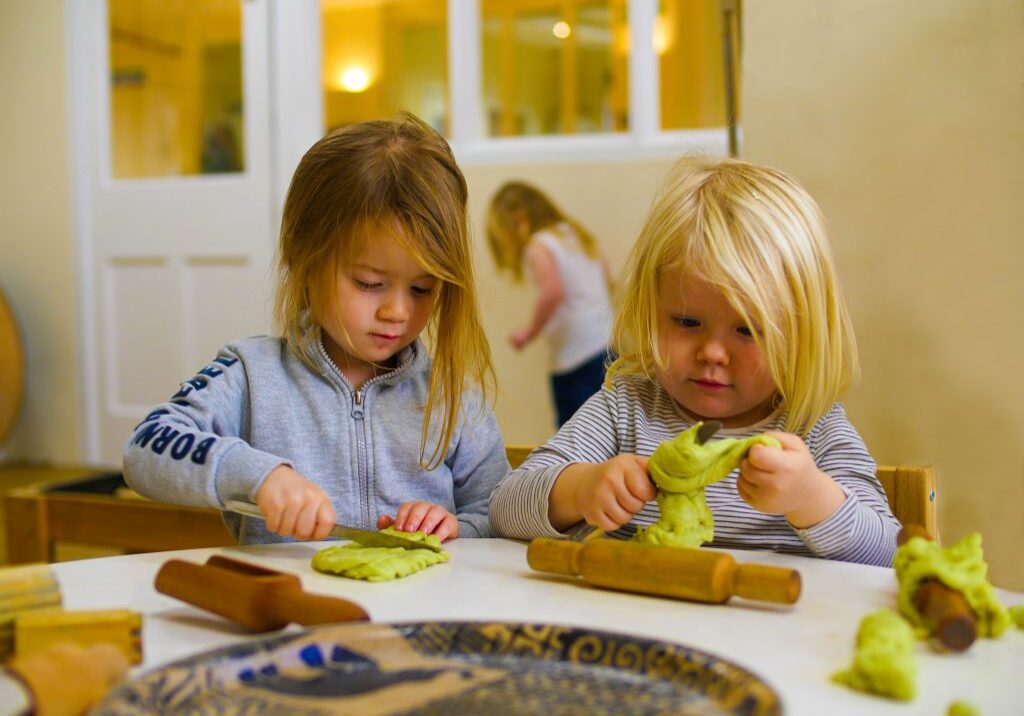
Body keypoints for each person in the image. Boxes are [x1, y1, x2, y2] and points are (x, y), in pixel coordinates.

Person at [489, 156, 900, 566]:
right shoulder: (626, 409)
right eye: (687, 321)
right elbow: (505, 507)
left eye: (747, 331)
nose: (712, 354)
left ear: (801, 332)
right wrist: (579, 489)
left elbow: (887, 553)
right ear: (650, 310)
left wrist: (811, 497)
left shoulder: (814, 426)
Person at [124, 113, 508, 544]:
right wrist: (258, 475)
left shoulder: (453, 396)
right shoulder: (251, 375)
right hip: (292, 608)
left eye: (422, 289)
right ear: (303, 257)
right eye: (369, 284)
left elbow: (499, 512)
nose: (398, 311)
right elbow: (147, 445)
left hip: (421, 610)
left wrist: (457, 528)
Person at [486, 181, 614, 427]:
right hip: (607, 342)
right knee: (608, 426)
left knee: (574, 432)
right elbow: (606, 274)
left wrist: (529, 333)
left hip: (575, 355)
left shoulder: (538, 245)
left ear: (519, 219)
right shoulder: (572, 232)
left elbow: (552, 292)